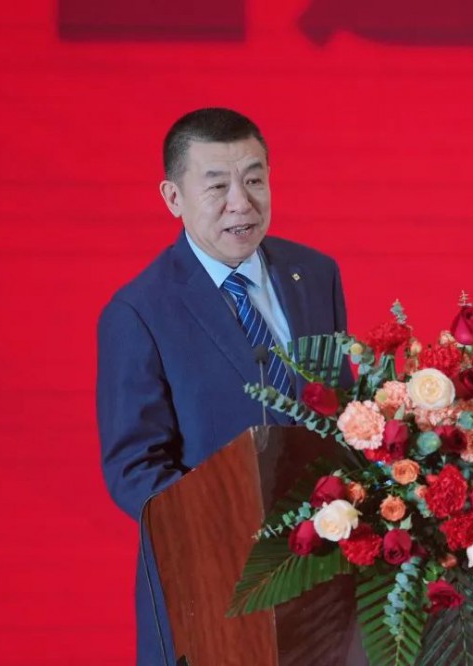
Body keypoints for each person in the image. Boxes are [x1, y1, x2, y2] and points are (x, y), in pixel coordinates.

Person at [96, 108, 351, 665]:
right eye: (217, 186)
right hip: (212, 589)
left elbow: (345, 417)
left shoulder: (315, 275)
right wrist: (229, 531)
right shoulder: (139, 312)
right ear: (173, 197)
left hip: (329, 580)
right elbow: (134, 468)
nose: (242, 202)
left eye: (254, 180)